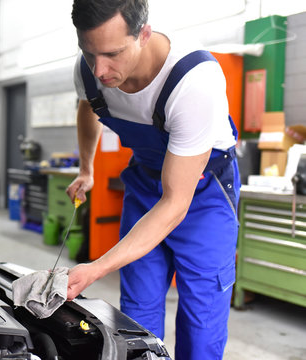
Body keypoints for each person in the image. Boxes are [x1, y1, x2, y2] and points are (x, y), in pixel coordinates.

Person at [65, 1, 240, 359]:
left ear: (143, 34)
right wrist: (87, 168)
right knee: (135, 317)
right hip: (146, 183)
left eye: (112, 54)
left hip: (203, 194)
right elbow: (89, 106)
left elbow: (176, 203)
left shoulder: (193, 81)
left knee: (201, 323)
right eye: (89, 53)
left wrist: (97, 267)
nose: (100, 69)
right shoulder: (89, 69)